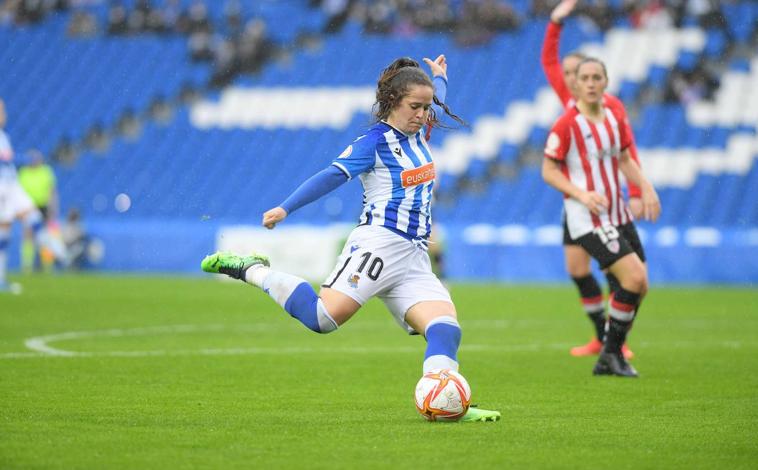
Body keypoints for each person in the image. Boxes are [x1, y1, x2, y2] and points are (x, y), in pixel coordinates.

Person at [201, 55, 500, 421]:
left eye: (426, 107)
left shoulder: (418, 131)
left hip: (413, 255)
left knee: (445, 328)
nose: (423, 114)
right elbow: (330, 175)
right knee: (322, 318)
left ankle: (445, 405)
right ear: (393, 103)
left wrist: (440, 79)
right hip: (377, 244)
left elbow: (432, 96)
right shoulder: (373, 143)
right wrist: (285, 208)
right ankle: (251, 269)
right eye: (415, 107)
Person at [542, 56, 661, 377]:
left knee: (641, 285)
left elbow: (624, 158)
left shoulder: (614, 117)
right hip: (588, 218)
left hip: (618, 213)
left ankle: (610, 351)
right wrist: (581, 194)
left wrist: (645, 187)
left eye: (598, 77)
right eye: (586, 78)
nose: (592, 83)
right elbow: (548, 170)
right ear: (576, 85)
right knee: (633, 279)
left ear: (606, 82)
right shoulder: (567, 124)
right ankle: (610, 352)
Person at [0, 99, 68, 293]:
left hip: (11, 185)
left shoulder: (3, 136)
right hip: (3, 187)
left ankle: (57, 250)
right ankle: (1, 278)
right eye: (1, 110)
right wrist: (26, 158)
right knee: (4, 232)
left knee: (33, 220)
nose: (4, 114)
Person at [18, 149, 59, 272]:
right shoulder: (23, 172)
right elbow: (19, 192)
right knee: (28, 234)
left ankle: (47, 265)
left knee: (46, 234)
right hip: (29, 206)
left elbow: (52, 191)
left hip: (43, 206)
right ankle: (27, 265)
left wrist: (53, 208)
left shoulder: (46, 171)